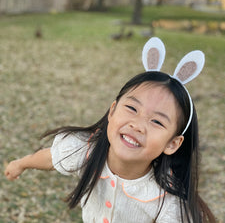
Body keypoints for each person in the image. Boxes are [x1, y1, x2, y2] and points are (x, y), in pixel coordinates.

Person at [5, 38, 216, 223]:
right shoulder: (86, 152)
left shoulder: (168, 201)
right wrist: (21, 164)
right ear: (112, 111)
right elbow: (52, 158)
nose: (137, 125)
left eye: (157, 122)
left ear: (172, 143)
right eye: (132, 108)